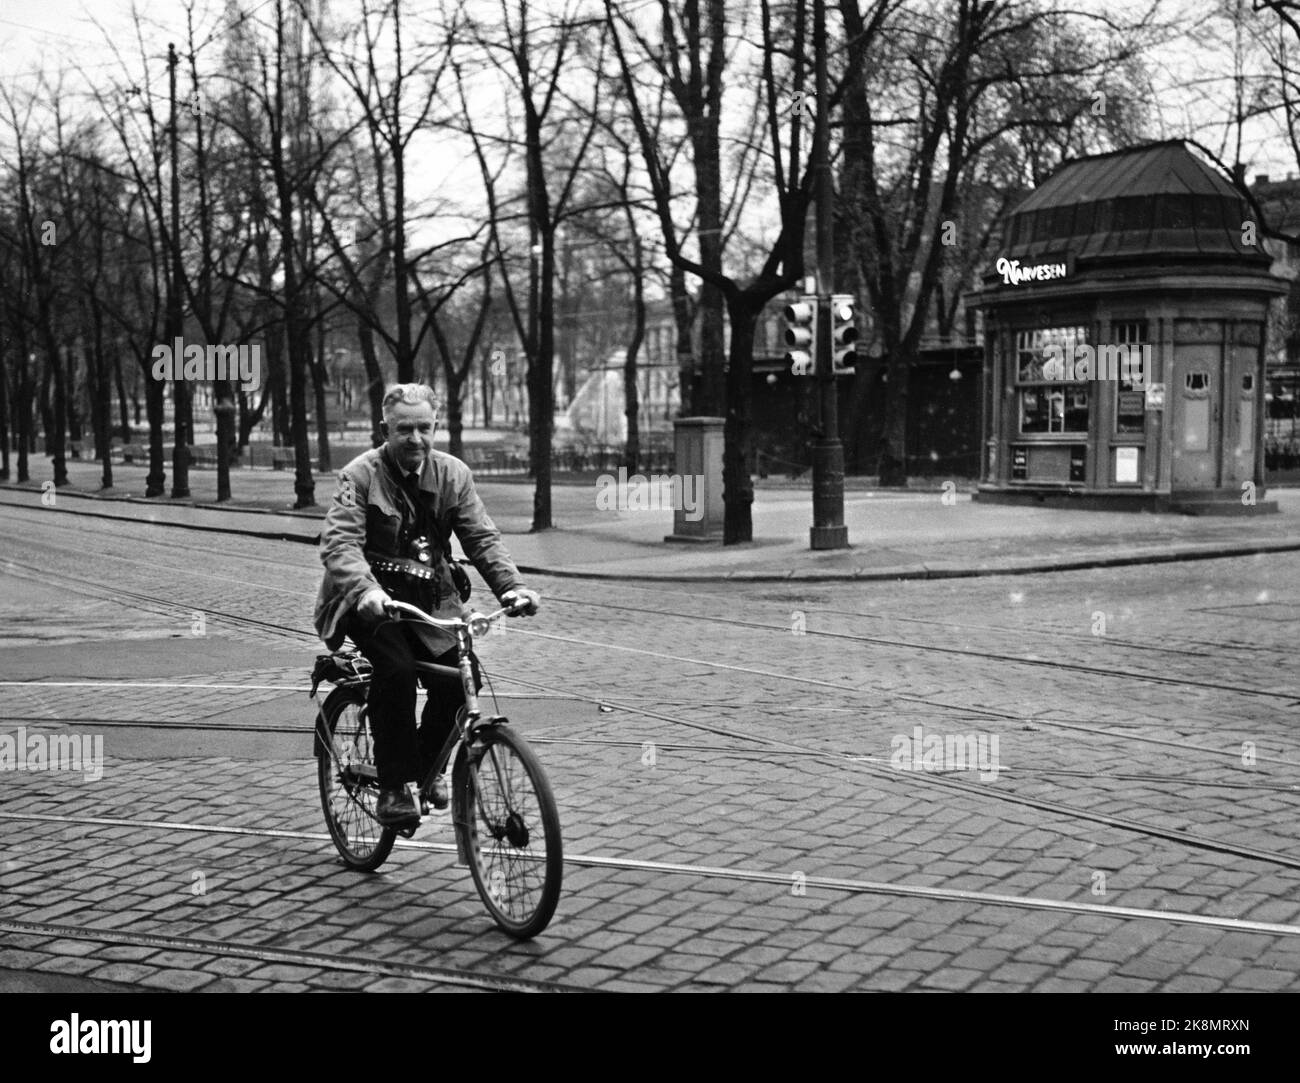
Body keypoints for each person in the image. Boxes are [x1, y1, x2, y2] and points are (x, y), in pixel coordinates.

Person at [314, 383, 540, 826]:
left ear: (435, 426)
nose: (415, 438)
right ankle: (395, 788)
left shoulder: (453, 474)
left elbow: (481, 536)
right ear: (385, 429)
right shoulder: (359, 476)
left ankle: (427, 767)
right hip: (369, 602)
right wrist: (367, 591)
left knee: (461, 678)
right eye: (404, 429)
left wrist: (511, 587)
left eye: (424, 428)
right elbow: (339, 543)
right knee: (396, 670)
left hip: (430, 602)